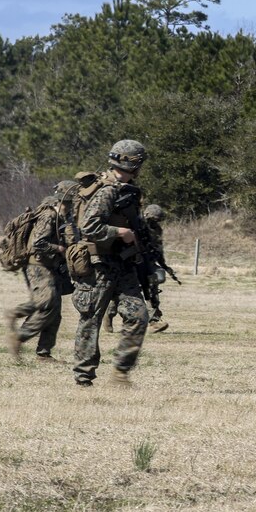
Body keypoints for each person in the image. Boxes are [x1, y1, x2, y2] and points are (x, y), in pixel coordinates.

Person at [70, 140, 151, 388]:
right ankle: (84, 377)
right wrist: (120, 232)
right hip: (99, 266)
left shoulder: (126, 189)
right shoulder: (107, 190)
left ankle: (120, 373)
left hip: (122, 264)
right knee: (91, 319)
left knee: (138, 315)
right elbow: (89, 227)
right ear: (133, 163)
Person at [4, 180, 79, 362]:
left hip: (51, 266)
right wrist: (59, 249)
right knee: (47, 305)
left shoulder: (63, 216)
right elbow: (39, 243)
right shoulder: (49, 216)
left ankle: (44, 353)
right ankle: (19, 337)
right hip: (38, 266)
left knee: (55, 312)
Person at [105, 203, 170, 334]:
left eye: (157, 220)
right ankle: (110, 314)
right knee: (125, 293)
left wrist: (161, 264)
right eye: (153, 219)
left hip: (147, 263)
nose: (155, 222)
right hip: (132, 262)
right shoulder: (135, 225)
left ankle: (154, 320)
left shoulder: (156, 230)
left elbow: (158, 247)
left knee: (152, 289)